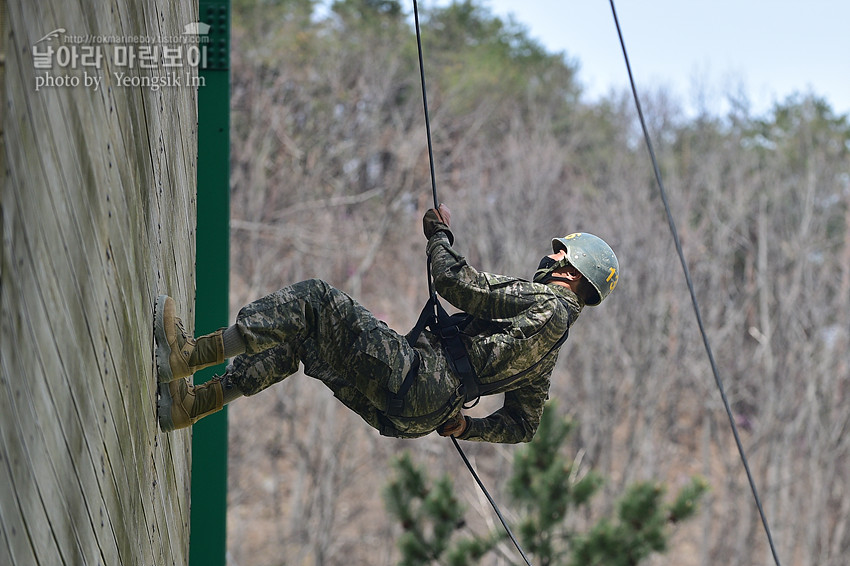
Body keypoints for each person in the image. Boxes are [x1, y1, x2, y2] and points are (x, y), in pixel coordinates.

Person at [153, 205, 618, 443]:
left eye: (561, 252)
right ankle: (191, 406)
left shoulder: (544, 301)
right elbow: (523, 424)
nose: (551, 254)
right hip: (416, 416)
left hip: (416, 379)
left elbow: (455, 282)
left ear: (572, 273)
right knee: (306, 339)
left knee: (314, 299)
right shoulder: (550, 350)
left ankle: (186, 357)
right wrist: (466, 428)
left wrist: (439, 233)